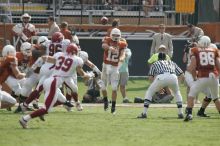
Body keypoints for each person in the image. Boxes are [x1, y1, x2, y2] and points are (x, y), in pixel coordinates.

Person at [19, 43, 90, 129]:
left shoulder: (59, 55)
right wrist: (90, 75)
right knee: (46, 109)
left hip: (50, 81)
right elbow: (82, 74)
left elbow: (47, 58)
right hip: (53, 83)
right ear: (75, 52)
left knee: (49, 106)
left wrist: (37, 63)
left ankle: (38, 113)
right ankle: (25, 119)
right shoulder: (77, 60)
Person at [137, 52, 184, 119]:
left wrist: (157, 87)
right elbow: (182, 75)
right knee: (177, 92)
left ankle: (144, 113)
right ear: (166, 58)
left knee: (149, 92)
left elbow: (150, 77)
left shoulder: (155, 63)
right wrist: (177, 84)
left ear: (158, 58)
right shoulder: (172, 63)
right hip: (173, 77)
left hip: (161, 77)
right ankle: (180, 113)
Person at [184, 36, 220, 121]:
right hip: (214, 76)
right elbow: (219, 65)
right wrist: (217, 76)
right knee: (216, 97)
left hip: (203, 76)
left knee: (191, 94)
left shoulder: (195, 50)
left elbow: (192, 67)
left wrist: (192, 75)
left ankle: (189, 113)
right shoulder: (214, 50)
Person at [101, 28, 126, 114]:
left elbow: (123, 54)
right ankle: (105, 101)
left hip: (115, 67)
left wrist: (122, 58)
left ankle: (113, 107)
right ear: (111, 35)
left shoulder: (122, 43)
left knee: (114, 88)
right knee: (103, 87)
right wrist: (109, 48)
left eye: (117, 35)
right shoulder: (107, 39)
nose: (115, 37)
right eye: (114, 35)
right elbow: (103, 46)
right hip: (105, 65)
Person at [0, 45, 25, 110]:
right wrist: (26, 74)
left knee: (13, 101)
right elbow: (18, 75)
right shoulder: (11, 59)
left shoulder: (3, 61)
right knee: (20, 91)